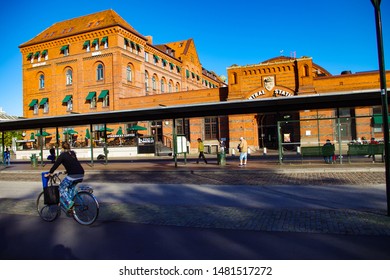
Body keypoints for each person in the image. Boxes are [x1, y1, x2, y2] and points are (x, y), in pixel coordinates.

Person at [46, 142, 84, 210]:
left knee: (61, 188)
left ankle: (70, 203)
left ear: (62, 148)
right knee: (70, 188)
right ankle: (73, 208)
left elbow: (56, 164)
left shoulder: (62, 155)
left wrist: (50, 172)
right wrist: (67, 171)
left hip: (73, 175)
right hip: (81, 173)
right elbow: (73, 163)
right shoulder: (72, 153)